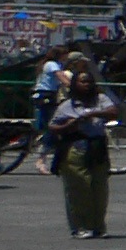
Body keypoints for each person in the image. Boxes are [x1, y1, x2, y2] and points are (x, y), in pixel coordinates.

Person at [49, 60, 121, 238]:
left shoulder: (101, 99)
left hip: (97, 148)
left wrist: (94, 113)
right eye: (82, 81)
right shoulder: (67, 105)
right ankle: (80, 226)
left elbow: (113, 112)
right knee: (79, 189)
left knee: (99, 190)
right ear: (75, 84)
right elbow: (52, 127)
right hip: (75, 148)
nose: (87, 84)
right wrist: (69, 126)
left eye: (89, 81)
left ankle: (98, 226)